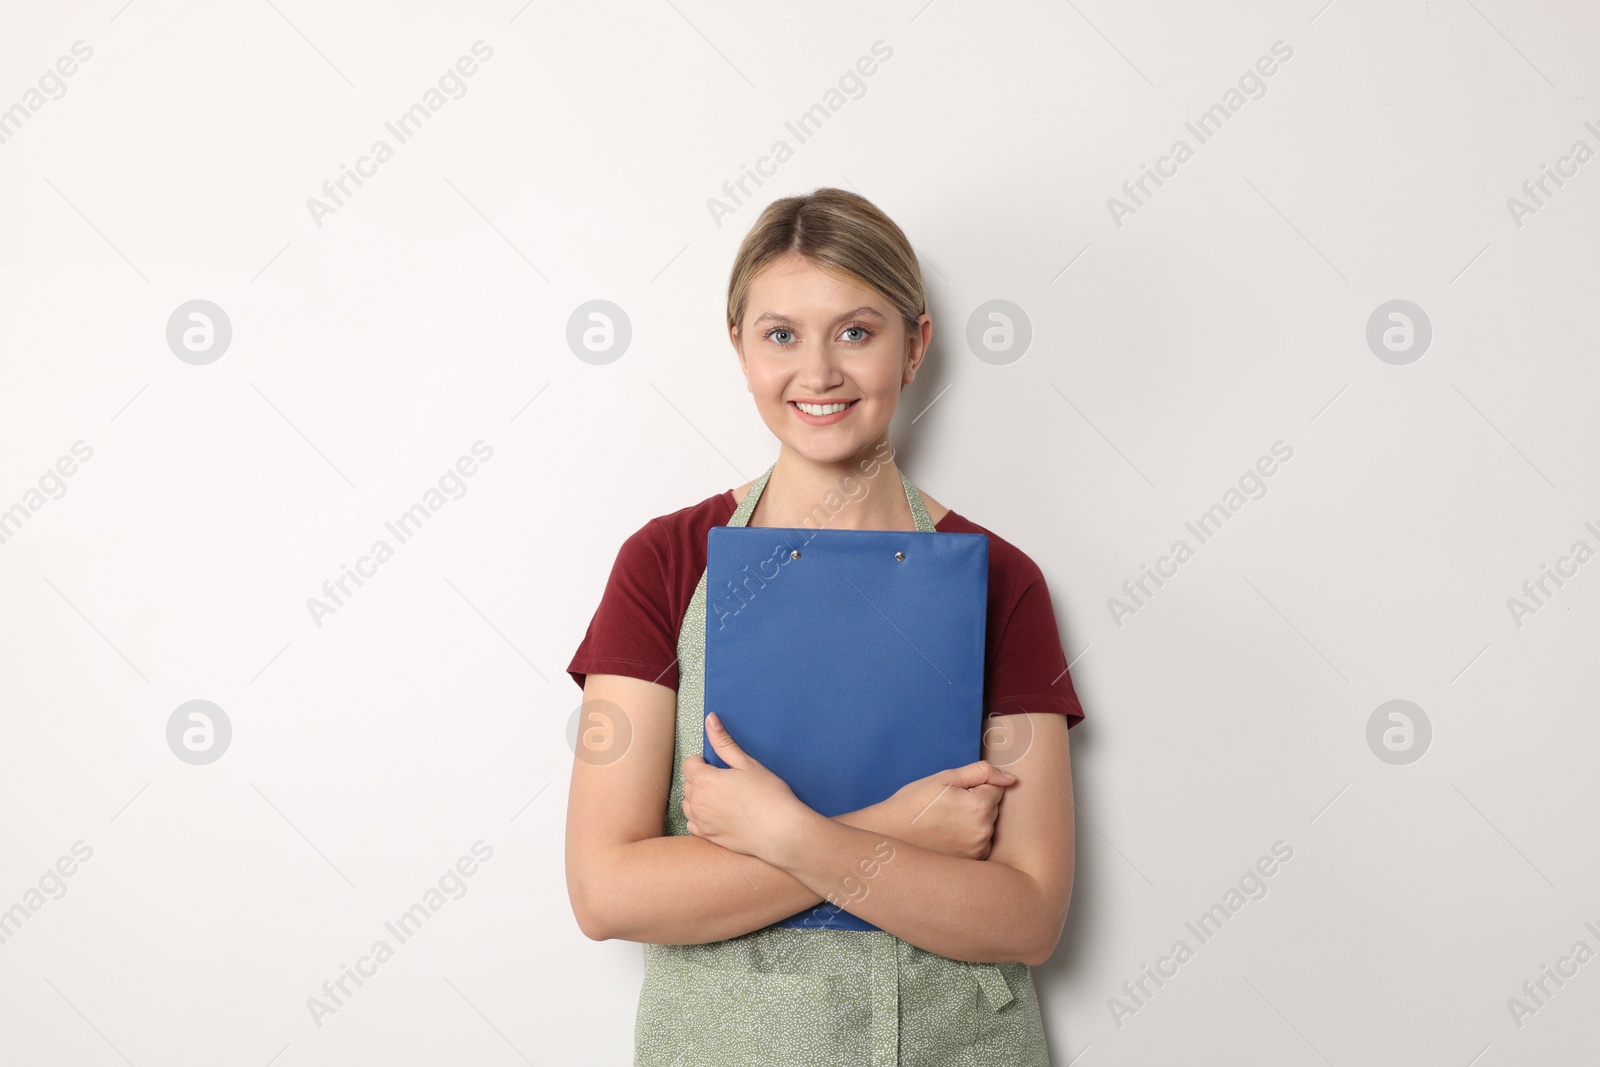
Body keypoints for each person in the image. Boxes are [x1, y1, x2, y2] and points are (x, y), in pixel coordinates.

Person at [565, 187, 1086, 1065]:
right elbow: (605, 890)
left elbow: (1029, 915)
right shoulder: (664, 562)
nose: (818, 373)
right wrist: (897, 825)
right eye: (780, 334)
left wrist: (792, 832)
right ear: (739, 347)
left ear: (915, 344)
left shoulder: (1002, 579)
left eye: (856, 331)